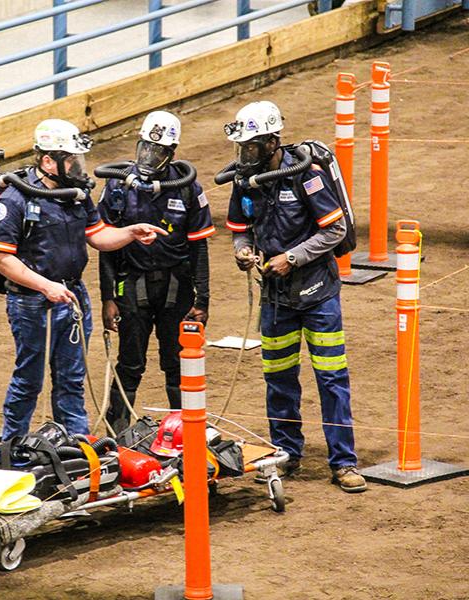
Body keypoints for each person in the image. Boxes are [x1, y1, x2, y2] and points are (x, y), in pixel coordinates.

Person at [0, 118, 165, 449]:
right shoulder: (15, 199)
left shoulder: (76, 195)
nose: (78, 167)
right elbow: (1, 259)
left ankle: (77, 447)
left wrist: (130, 232)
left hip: (70, 296)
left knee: (72, 377)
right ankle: (14, 448)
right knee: (29, 379)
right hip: (33, 302)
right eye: (71, 160)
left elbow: (96, 235)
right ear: (48, 161)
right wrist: (45, 286)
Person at [223, 100, 366, 493]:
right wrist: (242, 250)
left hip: (318, 295)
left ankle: (344, 462)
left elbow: (334, 232)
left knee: (331, 378)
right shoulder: (244, 180)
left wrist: (292, 257)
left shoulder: (308, 176)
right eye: (243, 147)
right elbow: (239, 228)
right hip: (274, 297)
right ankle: (287, 451)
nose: (245, 154)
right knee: (279, 378)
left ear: (272, 142)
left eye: (251, 146)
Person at [97, 111, 215, 433]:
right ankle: (116, 434)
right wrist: (109, 298)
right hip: (132, 285)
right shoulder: (118, 186)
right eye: (144, 148)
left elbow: (199, 247)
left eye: (158, 151)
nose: (148, 157)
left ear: (171, 153)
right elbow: (105, 247)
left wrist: (202, 299)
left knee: (176, 363)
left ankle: (186, 433)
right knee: (130, 363)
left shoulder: (188, 188)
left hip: (176, 286)